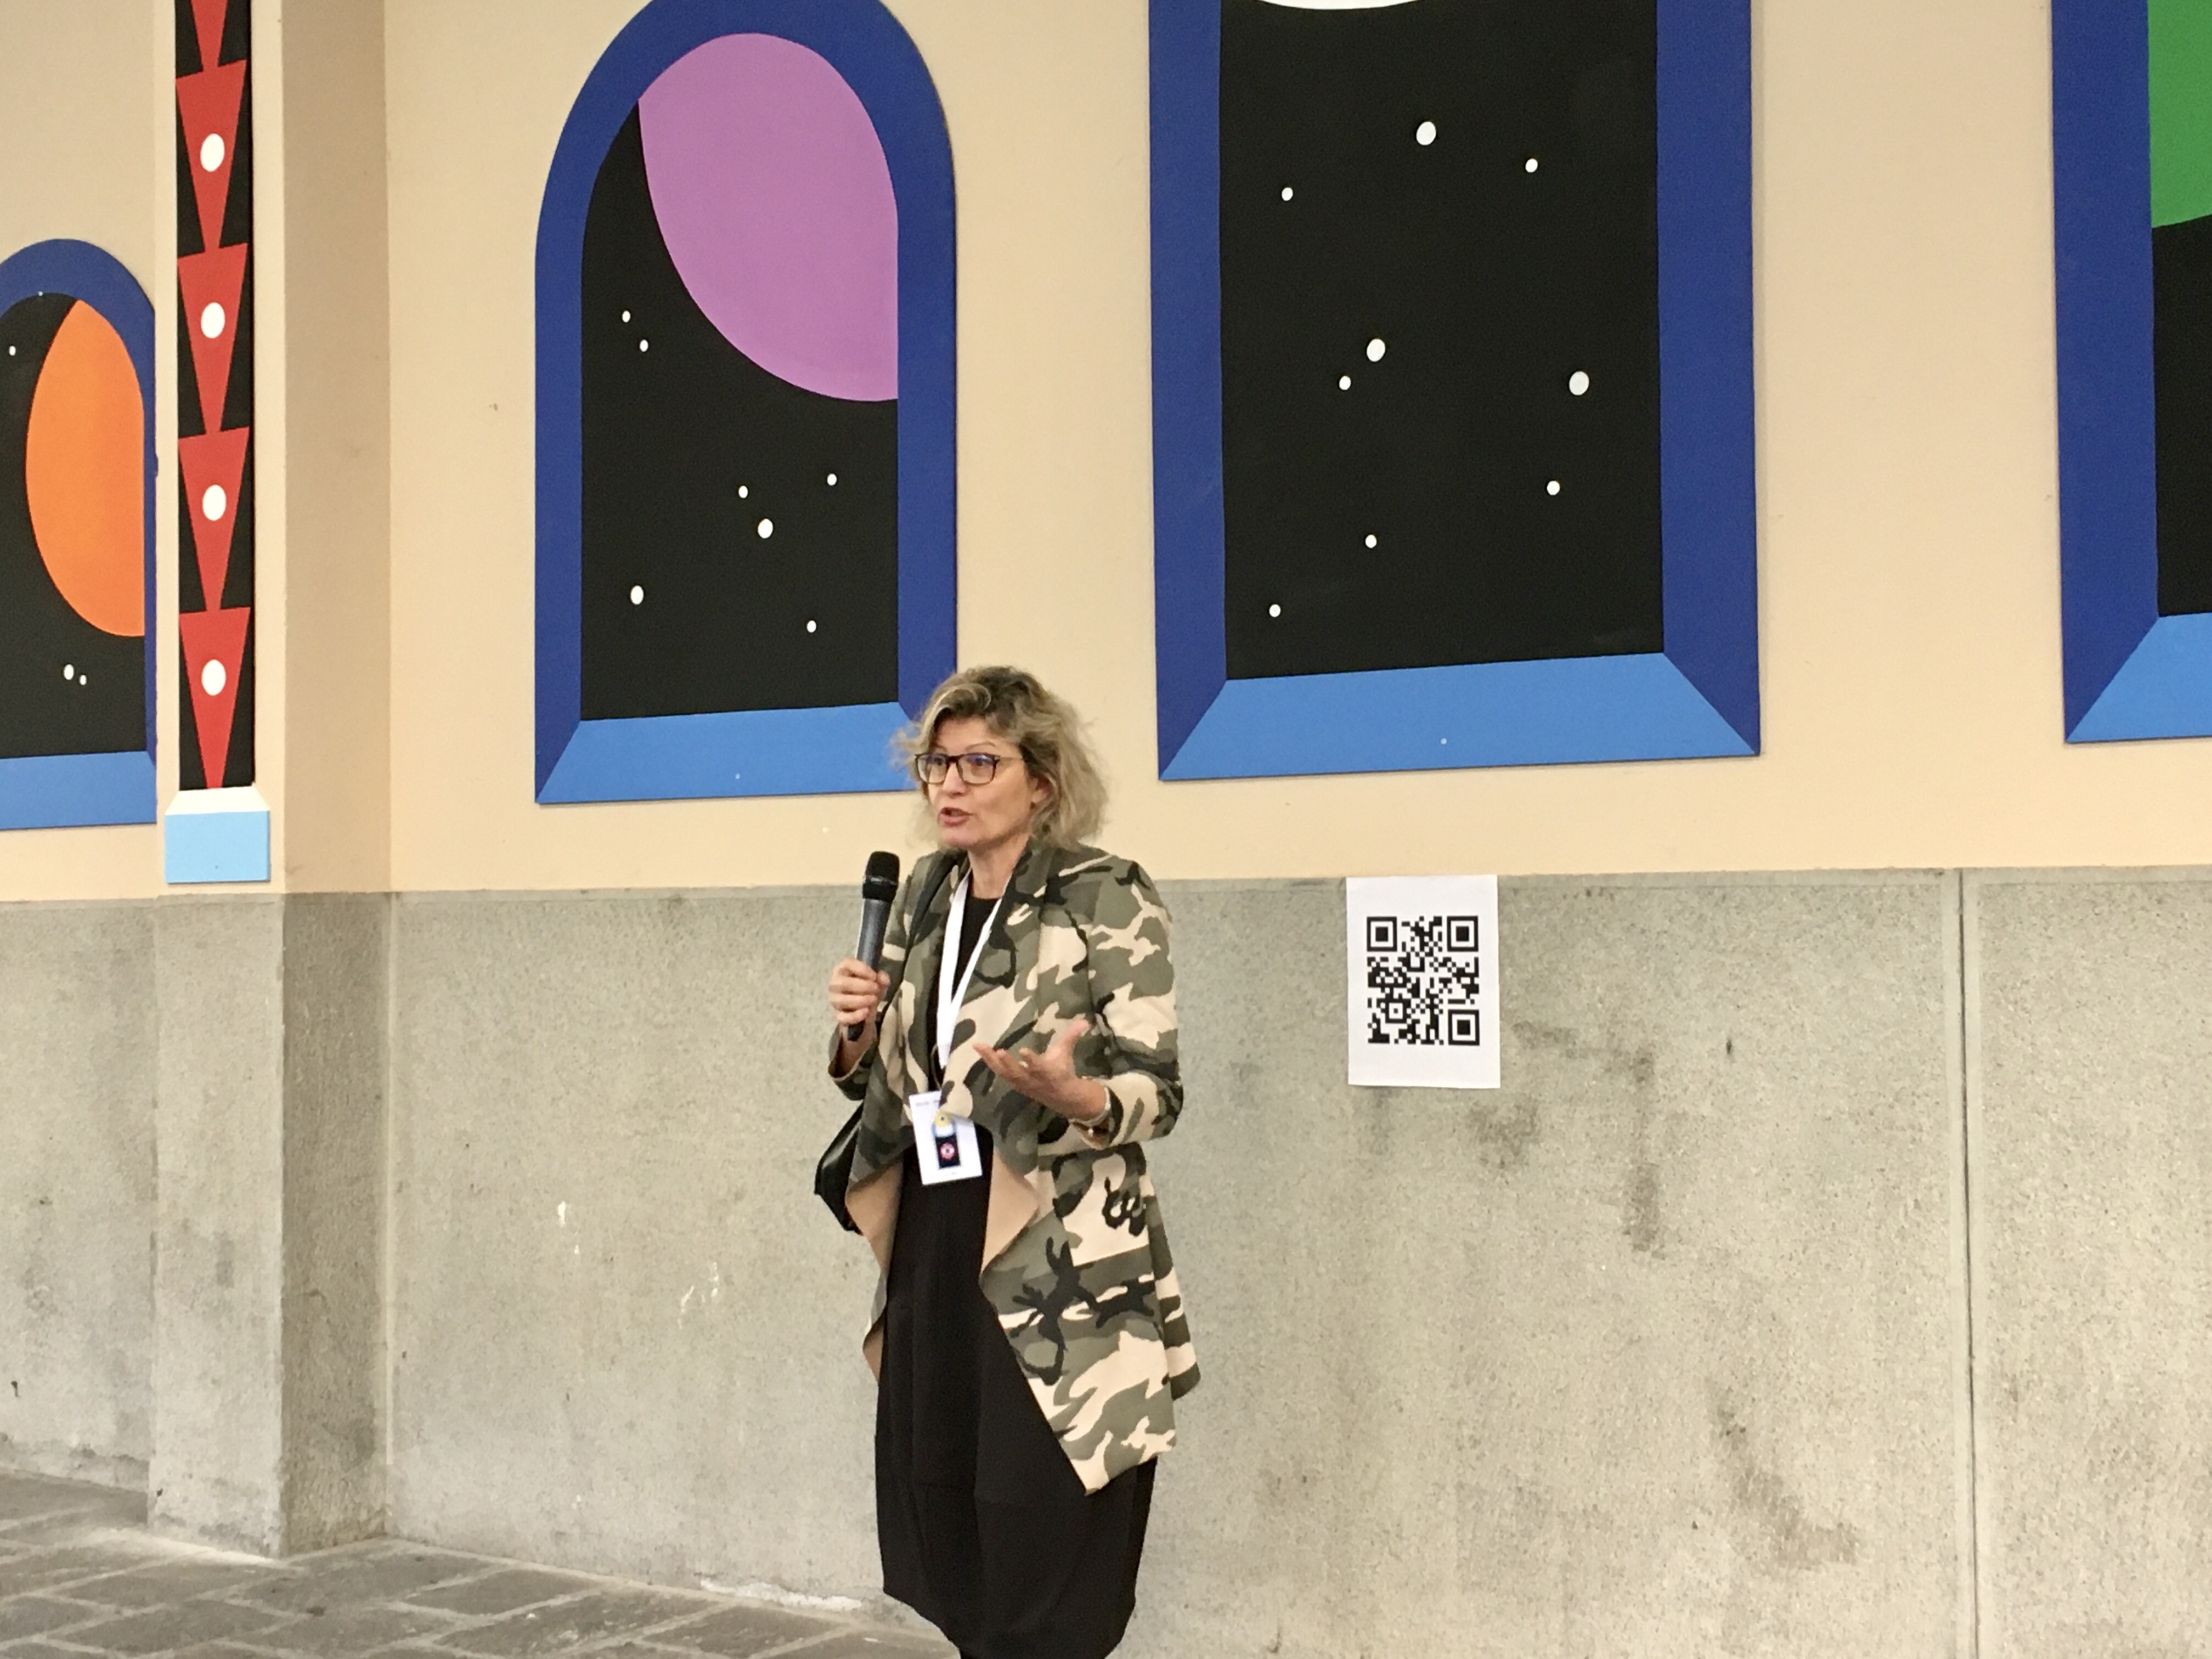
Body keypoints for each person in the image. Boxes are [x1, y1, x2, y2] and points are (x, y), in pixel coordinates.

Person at [826, 665, 1197, 1659]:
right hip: (936, 1231)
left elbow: (1158, 1091)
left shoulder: (1103, 893)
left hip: (1053, 1242)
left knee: (1043, 1507)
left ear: (1041, 780)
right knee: (944, 1493)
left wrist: (1078, 1099)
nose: (949, 784)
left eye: (978, 763)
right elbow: (895, 1073)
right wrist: (857, 1032)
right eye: (936, 764)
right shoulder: (925, 893)